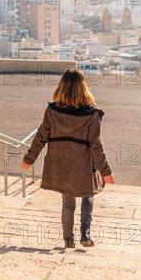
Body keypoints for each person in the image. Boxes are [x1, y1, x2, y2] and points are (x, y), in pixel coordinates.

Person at [22, 68, 115, 249]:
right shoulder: (92, 113)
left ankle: (68, 241)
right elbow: (96, 145)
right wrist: (106, 172)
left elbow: (41, 136)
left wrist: (29, 159)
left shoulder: (52, 110)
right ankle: (85, 234)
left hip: (60, 164)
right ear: (83, 87)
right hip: (84, 164)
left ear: (62, 86)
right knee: (88, 193)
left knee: (67, 204)